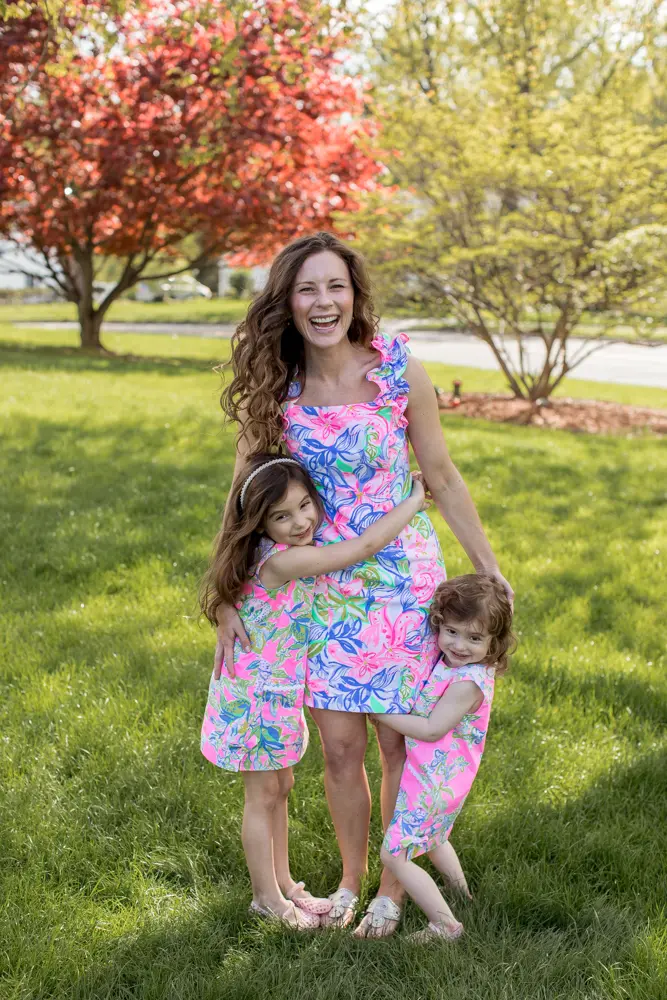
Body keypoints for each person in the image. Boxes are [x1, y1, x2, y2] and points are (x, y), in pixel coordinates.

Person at [215, 231, 513, 937]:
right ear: (286, 303)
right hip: (319, 592)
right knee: (341, 749)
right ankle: (350, 881)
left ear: (355, 294)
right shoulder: (275, 387)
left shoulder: (397, 366)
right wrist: (226, 592)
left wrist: (490, 567)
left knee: (396, 746)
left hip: (406, 586)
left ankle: (391, 891)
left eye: (335, 287)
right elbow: (243, 498)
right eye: (307, 289)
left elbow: (438, 474)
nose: (323, 303)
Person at [200, 452, 428, 930]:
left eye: (306, 505)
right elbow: (364, 546)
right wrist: (414, 501)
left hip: (273, 693)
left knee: (280, 786)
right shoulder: (283, 562)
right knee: (262, 795)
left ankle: (285, 886)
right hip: (255, 700)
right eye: (281, 516)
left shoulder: (261, 556)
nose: (301, 521)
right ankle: (266, 899)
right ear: (259, 525)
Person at [373, 575, 515, 942]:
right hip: (446, 777)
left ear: (494, 643)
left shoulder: (468, 683)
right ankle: (463, 896)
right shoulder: (461, 666)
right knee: (435, 839)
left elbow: (432, 729)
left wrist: (379, 715)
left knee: (395, 856)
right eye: (452, 631)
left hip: (433, 781)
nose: (460, 645)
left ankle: (445, 925)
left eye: (474, 638)